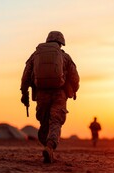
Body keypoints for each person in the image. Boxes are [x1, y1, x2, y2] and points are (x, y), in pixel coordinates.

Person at [20, 31, 79, 163]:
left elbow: (25, 76)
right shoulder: (65, 57)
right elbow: (75, 77)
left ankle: (47, 147)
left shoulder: (35, 55)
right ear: (61, 43)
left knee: (44, 122)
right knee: (56, 122)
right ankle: (50, 146)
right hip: (59, 94)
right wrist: (74, 90)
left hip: (41, 94)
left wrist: (24, 93)